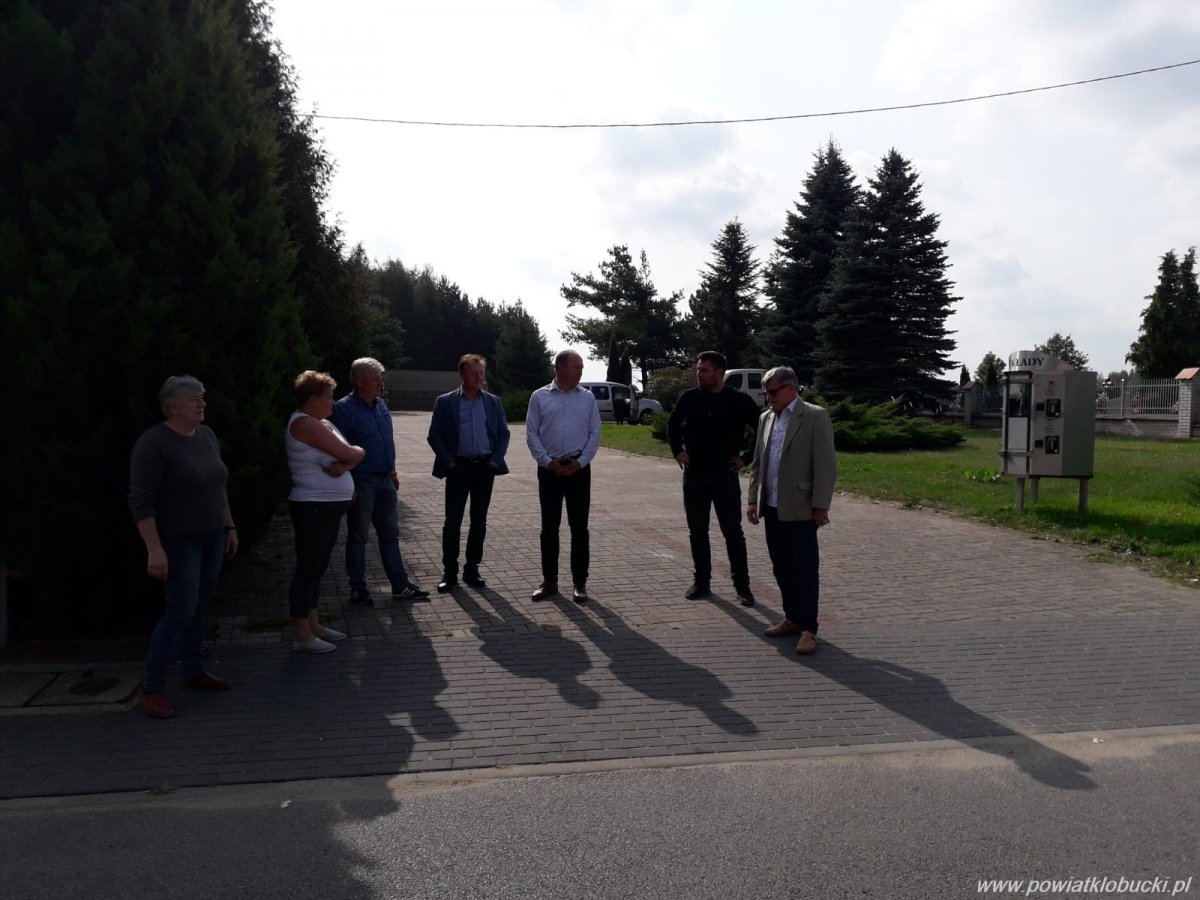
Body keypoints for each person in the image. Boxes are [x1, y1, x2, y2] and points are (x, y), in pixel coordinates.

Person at [129, 376, 238, 719]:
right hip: (179, 541)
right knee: (180, 610)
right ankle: (152, 688)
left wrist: (229, 526)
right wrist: (154, 549)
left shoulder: (206, 436)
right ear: (173, 406)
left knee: (198, 607)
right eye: (195, 399)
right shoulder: (154, 444)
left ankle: (193, 670)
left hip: (213, 536)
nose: (202, 404)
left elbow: (218, 486)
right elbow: (141, 500)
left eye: (202, 397)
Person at [746, 366, 837, 655]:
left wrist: (821, 505)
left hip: (802, 508)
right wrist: (752, 500)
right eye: (766, 392)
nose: (768, 397)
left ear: (791, 389)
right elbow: (758, 463)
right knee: (781, 566)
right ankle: (792, 618)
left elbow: (826, 465)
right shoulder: (765, 418)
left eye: (773, 392)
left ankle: (809, 628)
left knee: (805, 569)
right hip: (772, 506)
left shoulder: (814, 416)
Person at [329, 357, 429, 605]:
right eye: (376, 379)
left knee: (390, 534)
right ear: (360, 382)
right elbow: (337, 449)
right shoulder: (343, 409)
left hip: (385, 479)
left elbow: (387, 440)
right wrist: (348, 484)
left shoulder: (381, 405)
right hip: (361, 481)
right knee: (359, 536)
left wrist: (392, 472)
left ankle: (400, 585)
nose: (380, 383)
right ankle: (358, 588)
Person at [667, 351, 763, 606]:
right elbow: (673, 424)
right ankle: (702, 582)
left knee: (733, 532)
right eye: (698, 369)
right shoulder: (689, 398)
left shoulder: (739, 401)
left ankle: (742, 586)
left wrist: (745, 458)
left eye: (704, 370)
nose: (699, 374)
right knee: (697, 531)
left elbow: (761, 430)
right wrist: (677, 451)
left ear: (719, 373)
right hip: (695, 475)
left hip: (725, 476)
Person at [286, 370, 365, 653]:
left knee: (318, 567)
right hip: (313, 505)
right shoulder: (305, 423)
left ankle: (314, 623)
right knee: (308, 568)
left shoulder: (324, 423)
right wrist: (351, 458)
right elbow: (351, 452)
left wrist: (347, 463)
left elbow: (354, 453)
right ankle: (302, 635)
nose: (333, 403)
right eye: (329, 398)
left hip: (328, 507)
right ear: (313, 399)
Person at [427, 354, 511, 593]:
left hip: (484, 468)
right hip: (458, 468)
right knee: (452, 522)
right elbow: (434, 435)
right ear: (461, 374)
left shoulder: (493, 402)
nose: (479, 377)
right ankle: (449, 572)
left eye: (481, 373)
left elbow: (503, 434)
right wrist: (449, 462)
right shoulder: (446, 402)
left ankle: (472, 569)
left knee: (479, 521)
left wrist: (495, 461)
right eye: (474, 373)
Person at [526, 349, 601, 604]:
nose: (580, 372)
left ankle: (580, 583)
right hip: (550, 470)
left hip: (578, 469)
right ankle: (550, 582)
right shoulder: (539, 396)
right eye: (576, 367)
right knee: (549, 528)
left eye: (581, 368)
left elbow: (595, 433)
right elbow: (532, 433)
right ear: (559, 368)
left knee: (579, 528)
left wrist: (580, 463)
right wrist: (547, 462)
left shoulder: (587, 398)